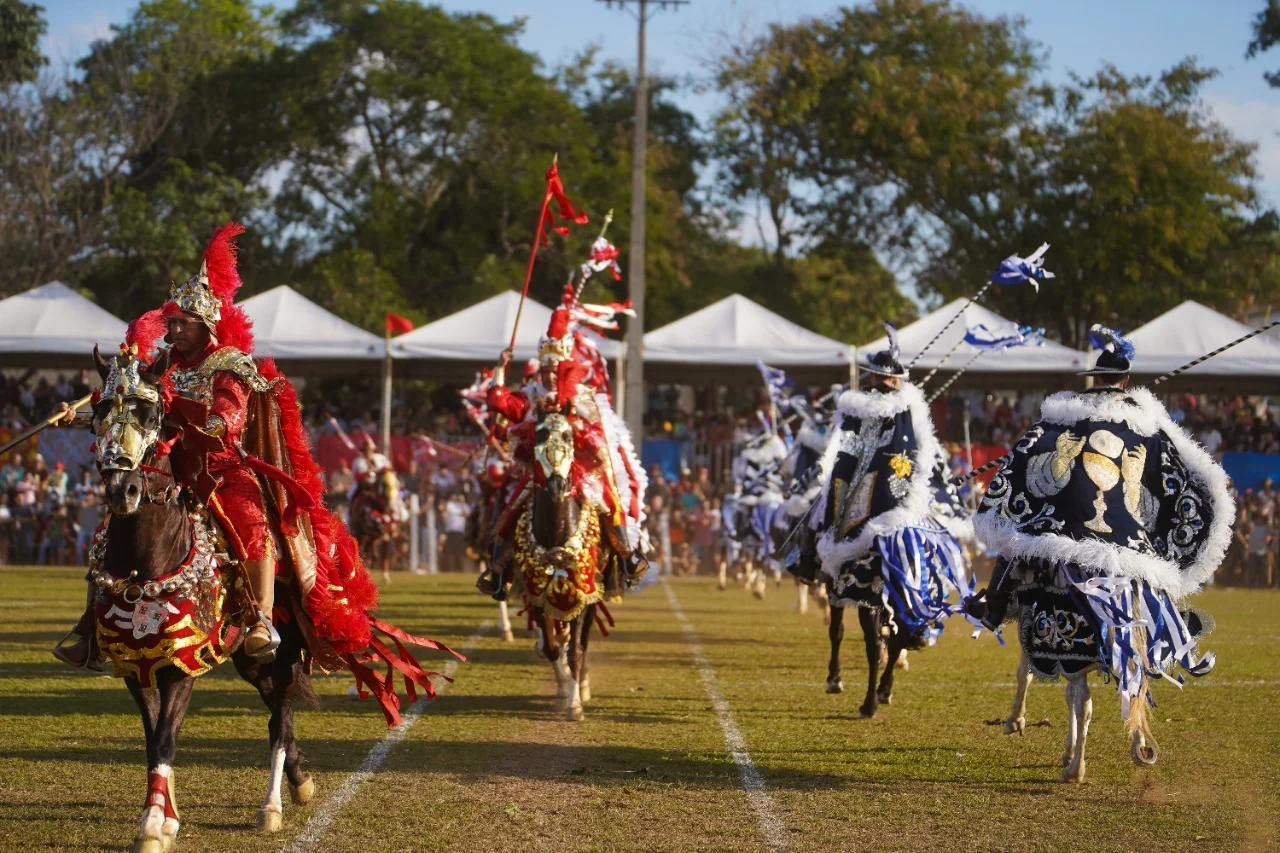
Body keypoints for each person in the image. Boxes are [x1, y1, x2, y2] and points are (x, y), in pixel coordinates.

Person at [965, 325, 1231, 724]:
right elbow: (1180, 473)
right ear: (1125, 381)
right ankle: (1168, 624)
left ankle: (994, 607)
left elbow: (1020, 460)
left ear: (1094, 379)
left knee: (1014, 550)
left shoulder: (1058, 420)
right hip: (1121, 539)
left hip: (1059, 529)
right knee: (1148, 576)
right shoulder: (1145, 424)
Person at [788, 323, 968, 646]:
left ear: (885, 378)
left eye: (884, 378)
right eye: (881, 377)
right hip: (871, 488)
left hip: (886, 492)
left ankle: (913, 613)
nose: (883, 383)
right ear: (880, 377)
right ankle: (810, 562)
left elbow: (910, 452)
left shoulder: (893, 408)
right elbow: (848, 446)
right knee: (822, 509)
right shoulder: (877, 406)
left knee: (829, 515)